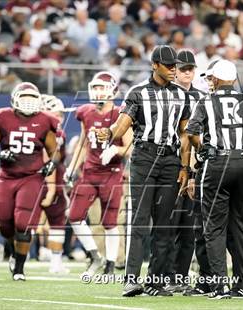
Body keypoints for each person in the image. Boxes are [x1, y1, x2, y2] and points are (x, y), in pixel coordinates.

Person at [96, 45, 191, 297]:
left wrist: (185, 166)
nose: (174, 69)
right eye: (168, 65)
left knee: (164, 224)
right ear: (154, 65)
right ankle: (131, 279)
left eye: (175, 66)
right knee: (139, 220)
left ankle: (156, 282)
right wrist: (110, 134)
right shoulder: (138, 92)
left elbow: (184, 134)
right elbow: (123, 122)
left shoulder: (182, 95)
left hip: (171, 159)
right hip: (145, 157)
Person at [186, 59, 243, 299]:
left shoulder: (206, 101)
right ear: (234, 79)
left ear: (215, 78)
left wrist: (202, 149)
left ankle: (219, 286)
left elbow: (191, 132)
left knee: (214, 227)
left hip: (216, 164)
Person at [0, 82, 60, 281]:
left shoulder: (45, 120)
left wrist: (51, 165)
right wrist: (0, 154)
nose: (27, 103)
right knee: (5, 226)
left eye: (31, 99)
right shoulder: (3, 117)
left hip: (31, 177)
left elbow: (55, 152)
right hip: (7, 177)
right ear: (14, 99)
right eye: (24, 98)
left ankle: (19, 268)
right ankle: (12, 249)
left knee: (23, 223)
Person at [65, 72, 132, 277]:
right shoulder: (85, 112)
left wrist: (115, 150)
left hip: (111, 173)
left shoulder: (122, 113)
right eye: (95, 88)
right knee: (74, 216)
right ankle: (95, 255)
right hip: (89, 173)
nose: (98, 92)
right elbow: (84, 143)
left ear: (112, 90)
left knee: (110, 222)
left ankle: (110, 264)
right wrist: (71, 167)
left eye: (102, 88)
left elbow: (129, 147)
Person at [165, 50, 206, 293]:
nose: (187, 72)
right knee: (167, 224)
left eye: (191, 68)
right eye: (183, 68)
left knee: (189, 226)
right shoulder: (165, 95)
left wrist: (193, 170)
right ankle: (165, 275)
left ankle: (180, 276)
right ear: (174, 70)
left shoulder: (202, 97)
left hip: (194, 167)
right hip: (170, 164)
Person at [40, 94, 75, 274]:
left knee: (57, 220)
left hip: (51, 176)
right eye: (57, 114)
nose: (60, 118)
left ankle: (55, 260)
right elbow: (49, 160)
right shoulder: (50, 132)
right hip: (39, 178)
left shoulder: (59, 132)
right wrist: (53, 186)